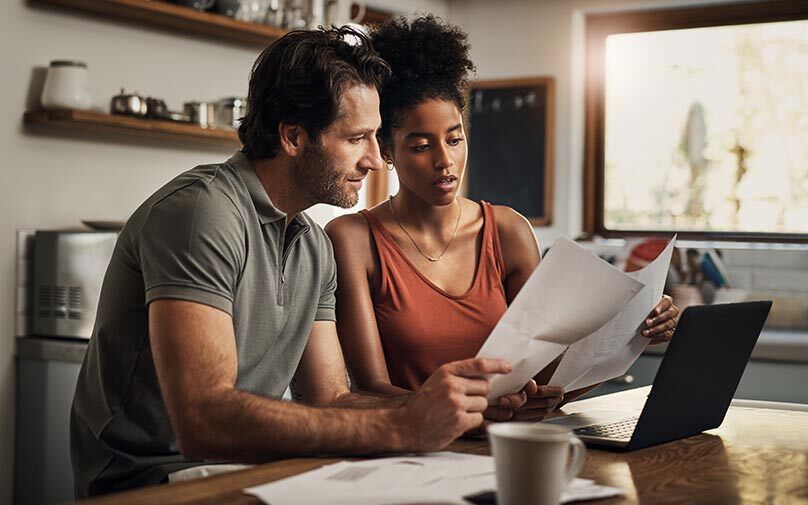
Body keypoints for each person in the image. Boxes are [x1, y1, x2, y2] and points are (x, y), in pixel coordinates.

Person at [70, 26, 518, 498]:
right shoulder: (202, 213)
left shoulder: (312, 245)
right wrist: (401, 427)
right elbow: (203, 420)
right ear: (293, 137)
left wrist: (443, 409)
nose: (375, 160)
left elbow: (332, 399)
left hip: (244, 471)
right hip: (149, 481)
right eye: (357, 138)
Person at [325, 16, 680, 424]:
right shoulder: (353, 239)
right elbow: (370, 390)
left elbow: (548, 376)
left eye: (455, 139)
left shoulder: (508, 231)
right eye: (421, 145)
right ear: (385, 150)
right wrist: (477, 413)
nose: (445, 161)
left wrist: (634, 332)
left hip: (508, 446)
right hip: (411, 453)